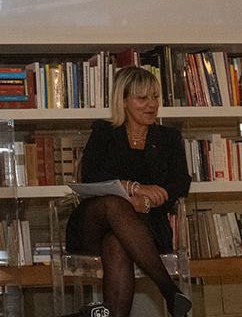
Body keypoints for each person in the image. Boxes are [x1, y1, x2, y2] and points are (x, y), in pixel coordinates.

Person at [64, 67, 193, 317]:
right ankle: (169, 290)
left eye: (155, 97)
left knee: (117, 242)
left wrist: (148, 200)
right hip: (94, 222)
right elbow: (90, 177)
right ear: (123, 101)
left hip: (145, 224)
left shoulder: (169, 138)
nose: (151, 104)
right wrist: (134, 188)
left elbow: (181, 181)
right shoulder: (104, 132)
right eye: (142, 98)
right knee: (114, 204)